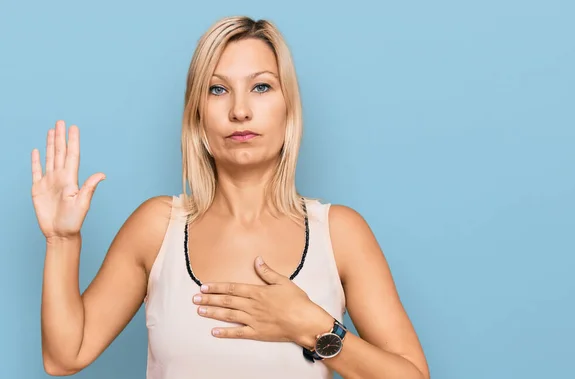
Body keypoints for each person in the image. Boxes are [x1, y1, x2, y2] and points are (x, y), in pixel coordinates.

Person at [30, 16, 430, 379]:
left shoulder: (339, 233)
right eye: (218, 89)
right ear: (197, 116)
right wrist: (62, 241)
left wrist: (312, 326)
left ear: (288, 109)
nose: (240, 110)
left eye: (261, 87)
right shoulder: (156, 228)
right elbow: (65, 356)